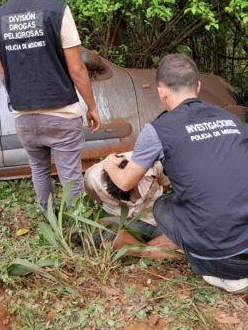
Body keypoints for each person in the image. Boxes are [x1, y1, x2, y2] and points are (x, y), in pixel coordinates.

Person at [102, 53, 248, 293]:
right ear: (198, 87)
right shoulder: (232, 120)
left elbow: (125, 182)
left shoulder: (159, 130)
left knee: (164, 205)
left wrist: (109, 163)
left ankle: (149, 251)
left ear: (161, 91)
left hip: (222, 263)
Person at [0, 0, 100, 210]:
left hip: (23, 115)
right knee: (70, 174)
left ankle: (49, 219)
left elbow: (4, 73)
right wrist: (91, 106)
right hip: (61, 111)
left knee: (38, 169)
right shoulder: (57, 10)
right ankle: (77, 228)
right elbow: (77, 69)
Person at [84, 151, 170, 244]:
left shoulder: (153, 164)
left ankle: (141, 248)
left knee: (183, 232)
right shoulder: (92, 181)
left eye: (135, 190)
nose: (134, 200)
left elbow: (165, 185)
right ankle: (149, 247)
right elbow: (98, 201)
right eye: (129, 197)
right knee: (96, 237)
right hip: (126, 223)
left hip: (158, 219)